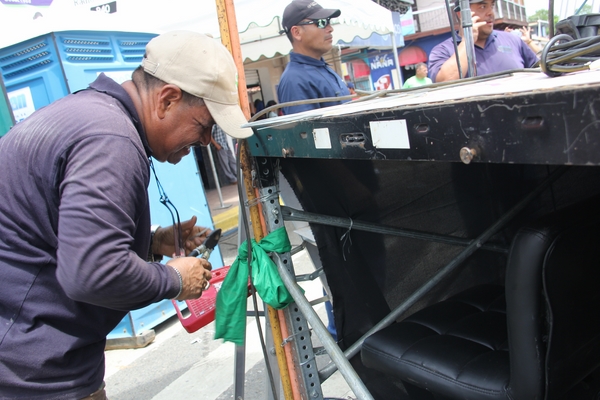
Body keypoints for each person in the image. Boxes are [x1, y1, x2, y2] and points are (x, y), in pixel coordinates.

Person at [0, 30, 252, 399]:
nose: (205, 141)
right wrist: (174, 279)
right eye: (204, 126)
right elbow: (92, 272)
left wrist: (150, 243)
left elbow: (51, 233)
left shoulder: (89, 114)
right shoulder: (111, 140)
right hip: (31, 370)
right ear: (167, 99)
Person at [428, 0, 538, 83]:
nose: (491, 13)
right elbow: (444, 82)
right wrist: (467, 42)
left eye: (492, 6)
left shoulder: (513, 40)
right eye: (483, 6)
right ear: (462, 14)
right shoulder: (443, 50)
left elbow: (540, 71)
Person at [277, 0, 351, 115]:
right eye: (321, 22)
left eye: (328, 21)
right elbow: (306, 126)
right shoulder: (294, 80)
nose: (330, 28)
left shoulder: (321, 68)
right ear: (297, 32)